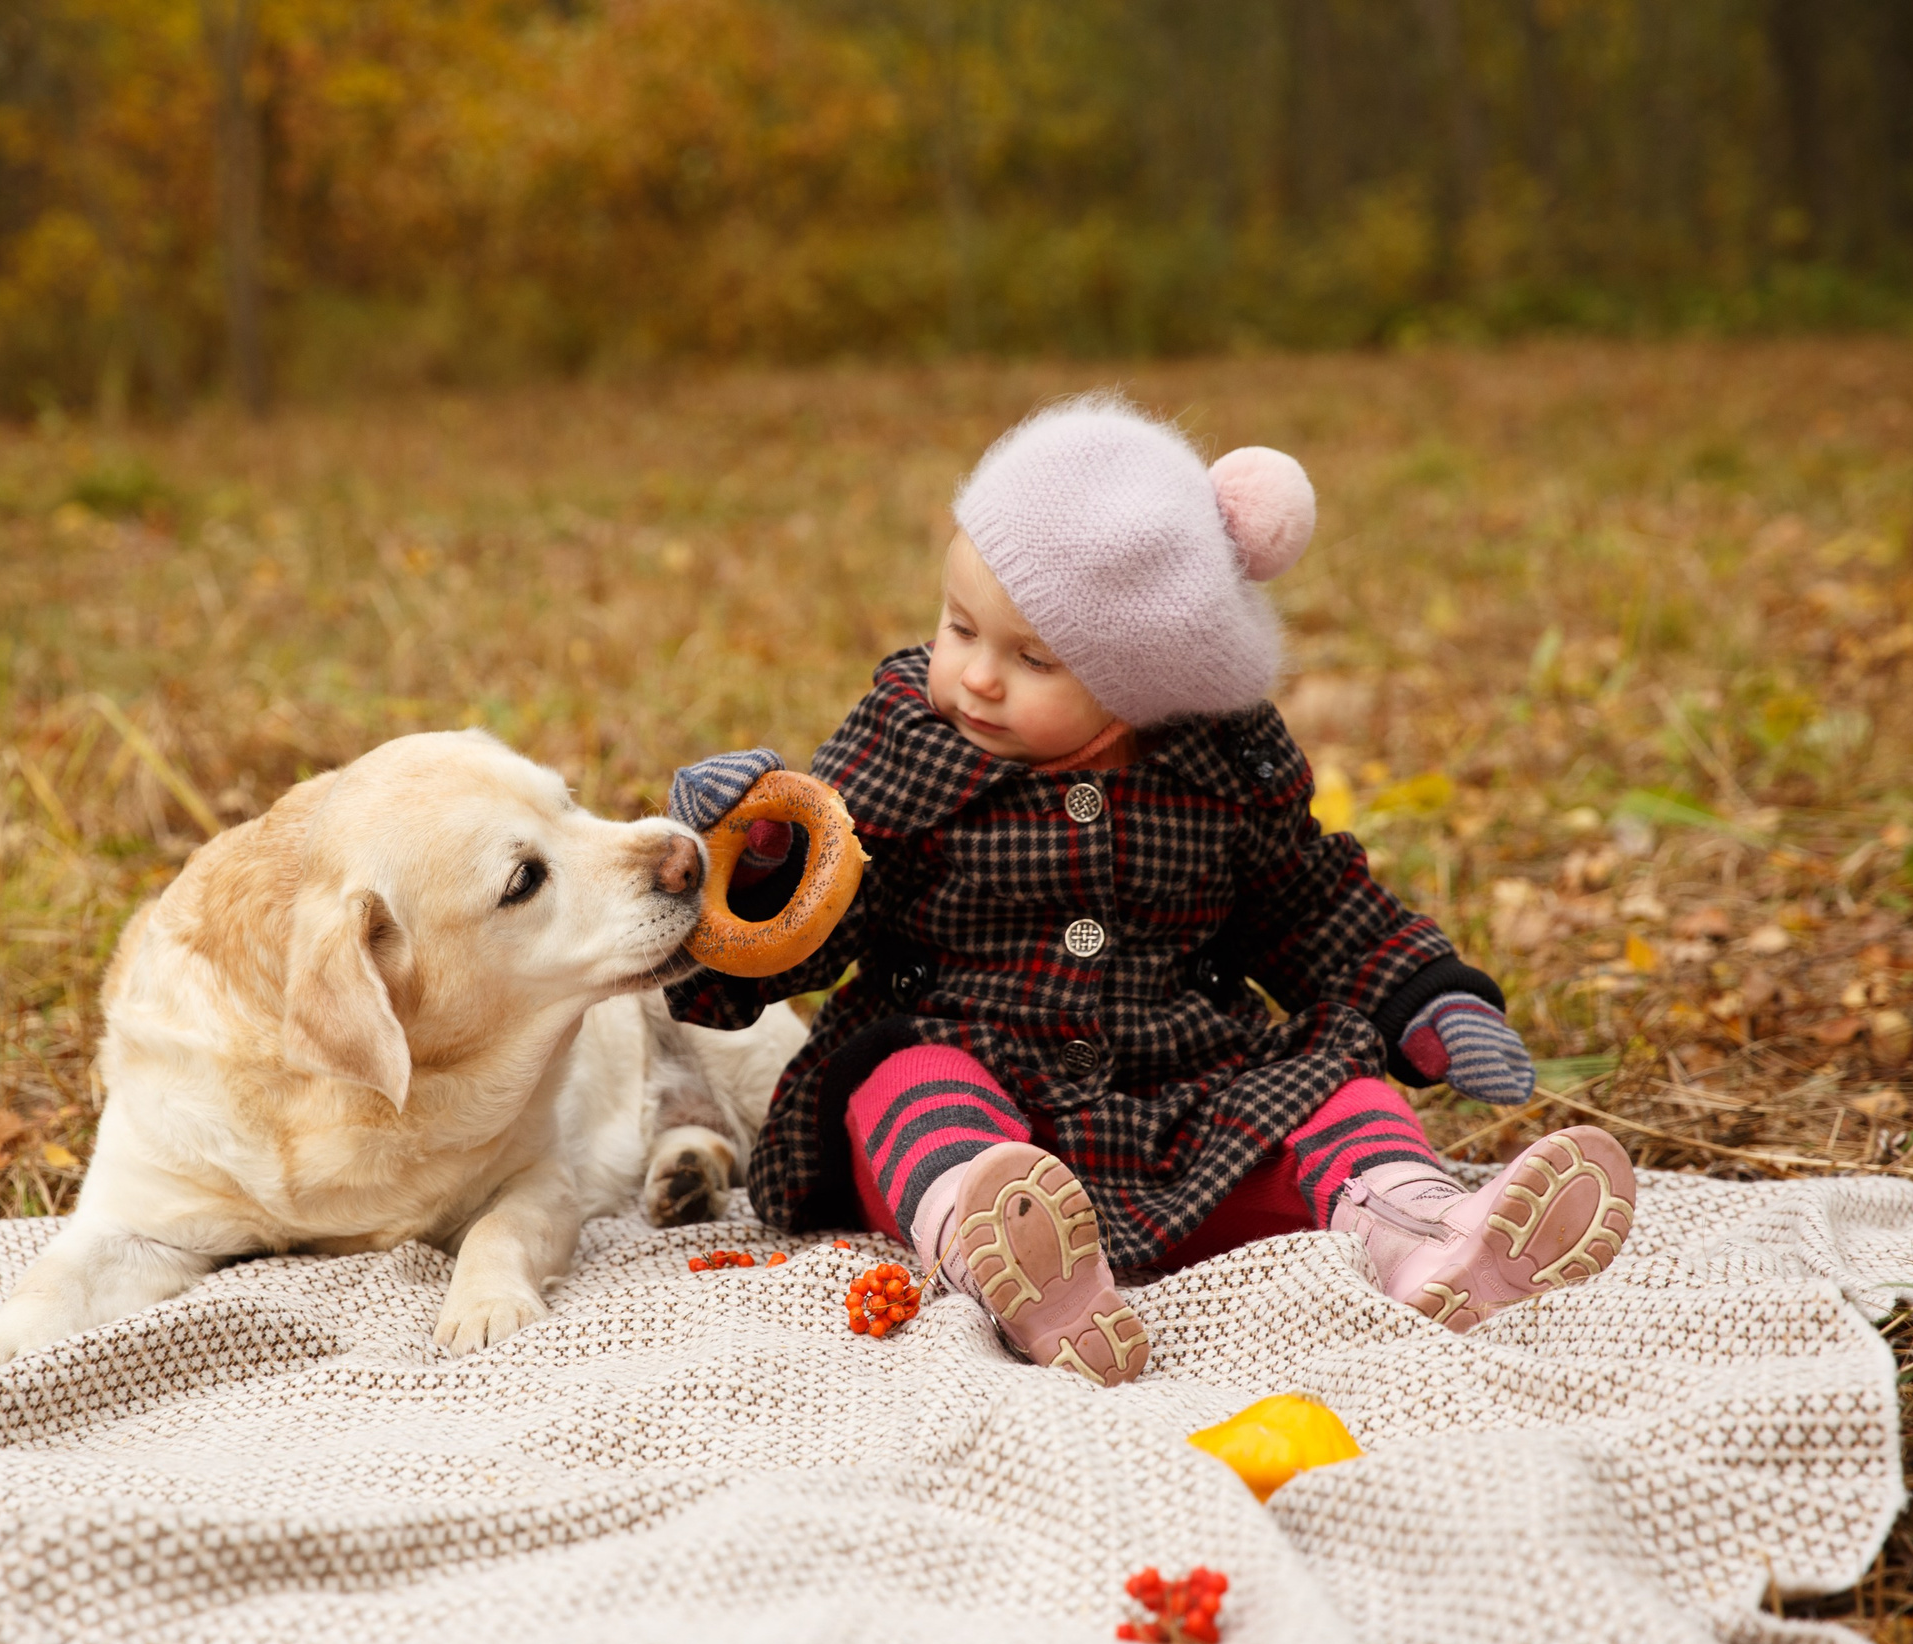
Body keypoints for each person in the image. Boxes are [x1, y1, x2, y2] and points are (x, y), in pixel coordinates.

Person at [662, 395, 1636, 1387]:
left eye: (1032, 658)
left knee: (1335, 1088)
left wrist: (1424, 994)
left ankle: (1424, 1228)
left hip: (1189, 1093)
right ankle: (998, 1244)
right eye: (960, 628)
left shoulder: (1216, 766)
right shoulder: (908, 741)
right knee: (893, 1083)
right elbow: (819, 919)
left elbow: (1308, 904)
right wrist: (767, 854)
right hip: (976, 1070)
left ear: (1143, 684)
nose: (977, 679)